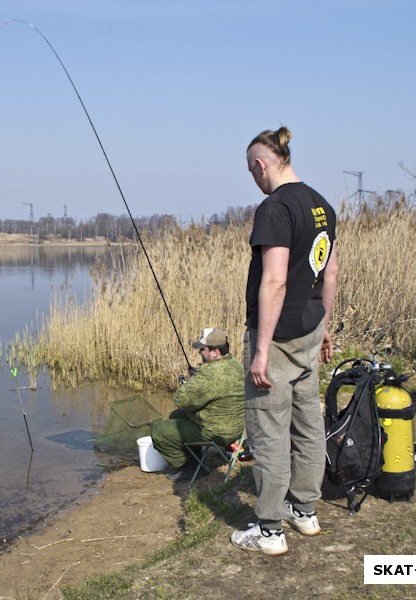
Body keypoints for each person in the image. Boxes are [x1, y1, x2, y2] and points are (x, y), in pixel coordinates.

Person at [230, 127, 339, 556]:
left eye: (251, 169)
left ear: (261, 164)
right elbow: (328, 274)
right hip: (310, 330)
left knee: (269, 431)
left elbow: (274, 282)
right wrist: (326, 326)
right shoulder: (322, 205)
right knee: (309, 423)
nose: (253, 177)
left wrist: (261, 349)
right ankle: (304, 510)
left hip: (276, 338)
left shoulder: (274, 208)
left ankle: (270, 528)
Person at [151, 328, 245, 481]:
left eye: (203, 349)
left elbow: (180, 400)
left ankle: (190, 467)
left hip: (215, 432)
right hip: (235, 429)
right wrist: (197, 378)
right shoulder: (236, 365)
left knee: (158, 430)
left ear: (215, 352)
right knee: (175, 416)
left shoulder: (208, 375)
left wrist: (189, 383)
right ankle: (195, 457)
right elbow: (216, 387)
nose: (199, 352)